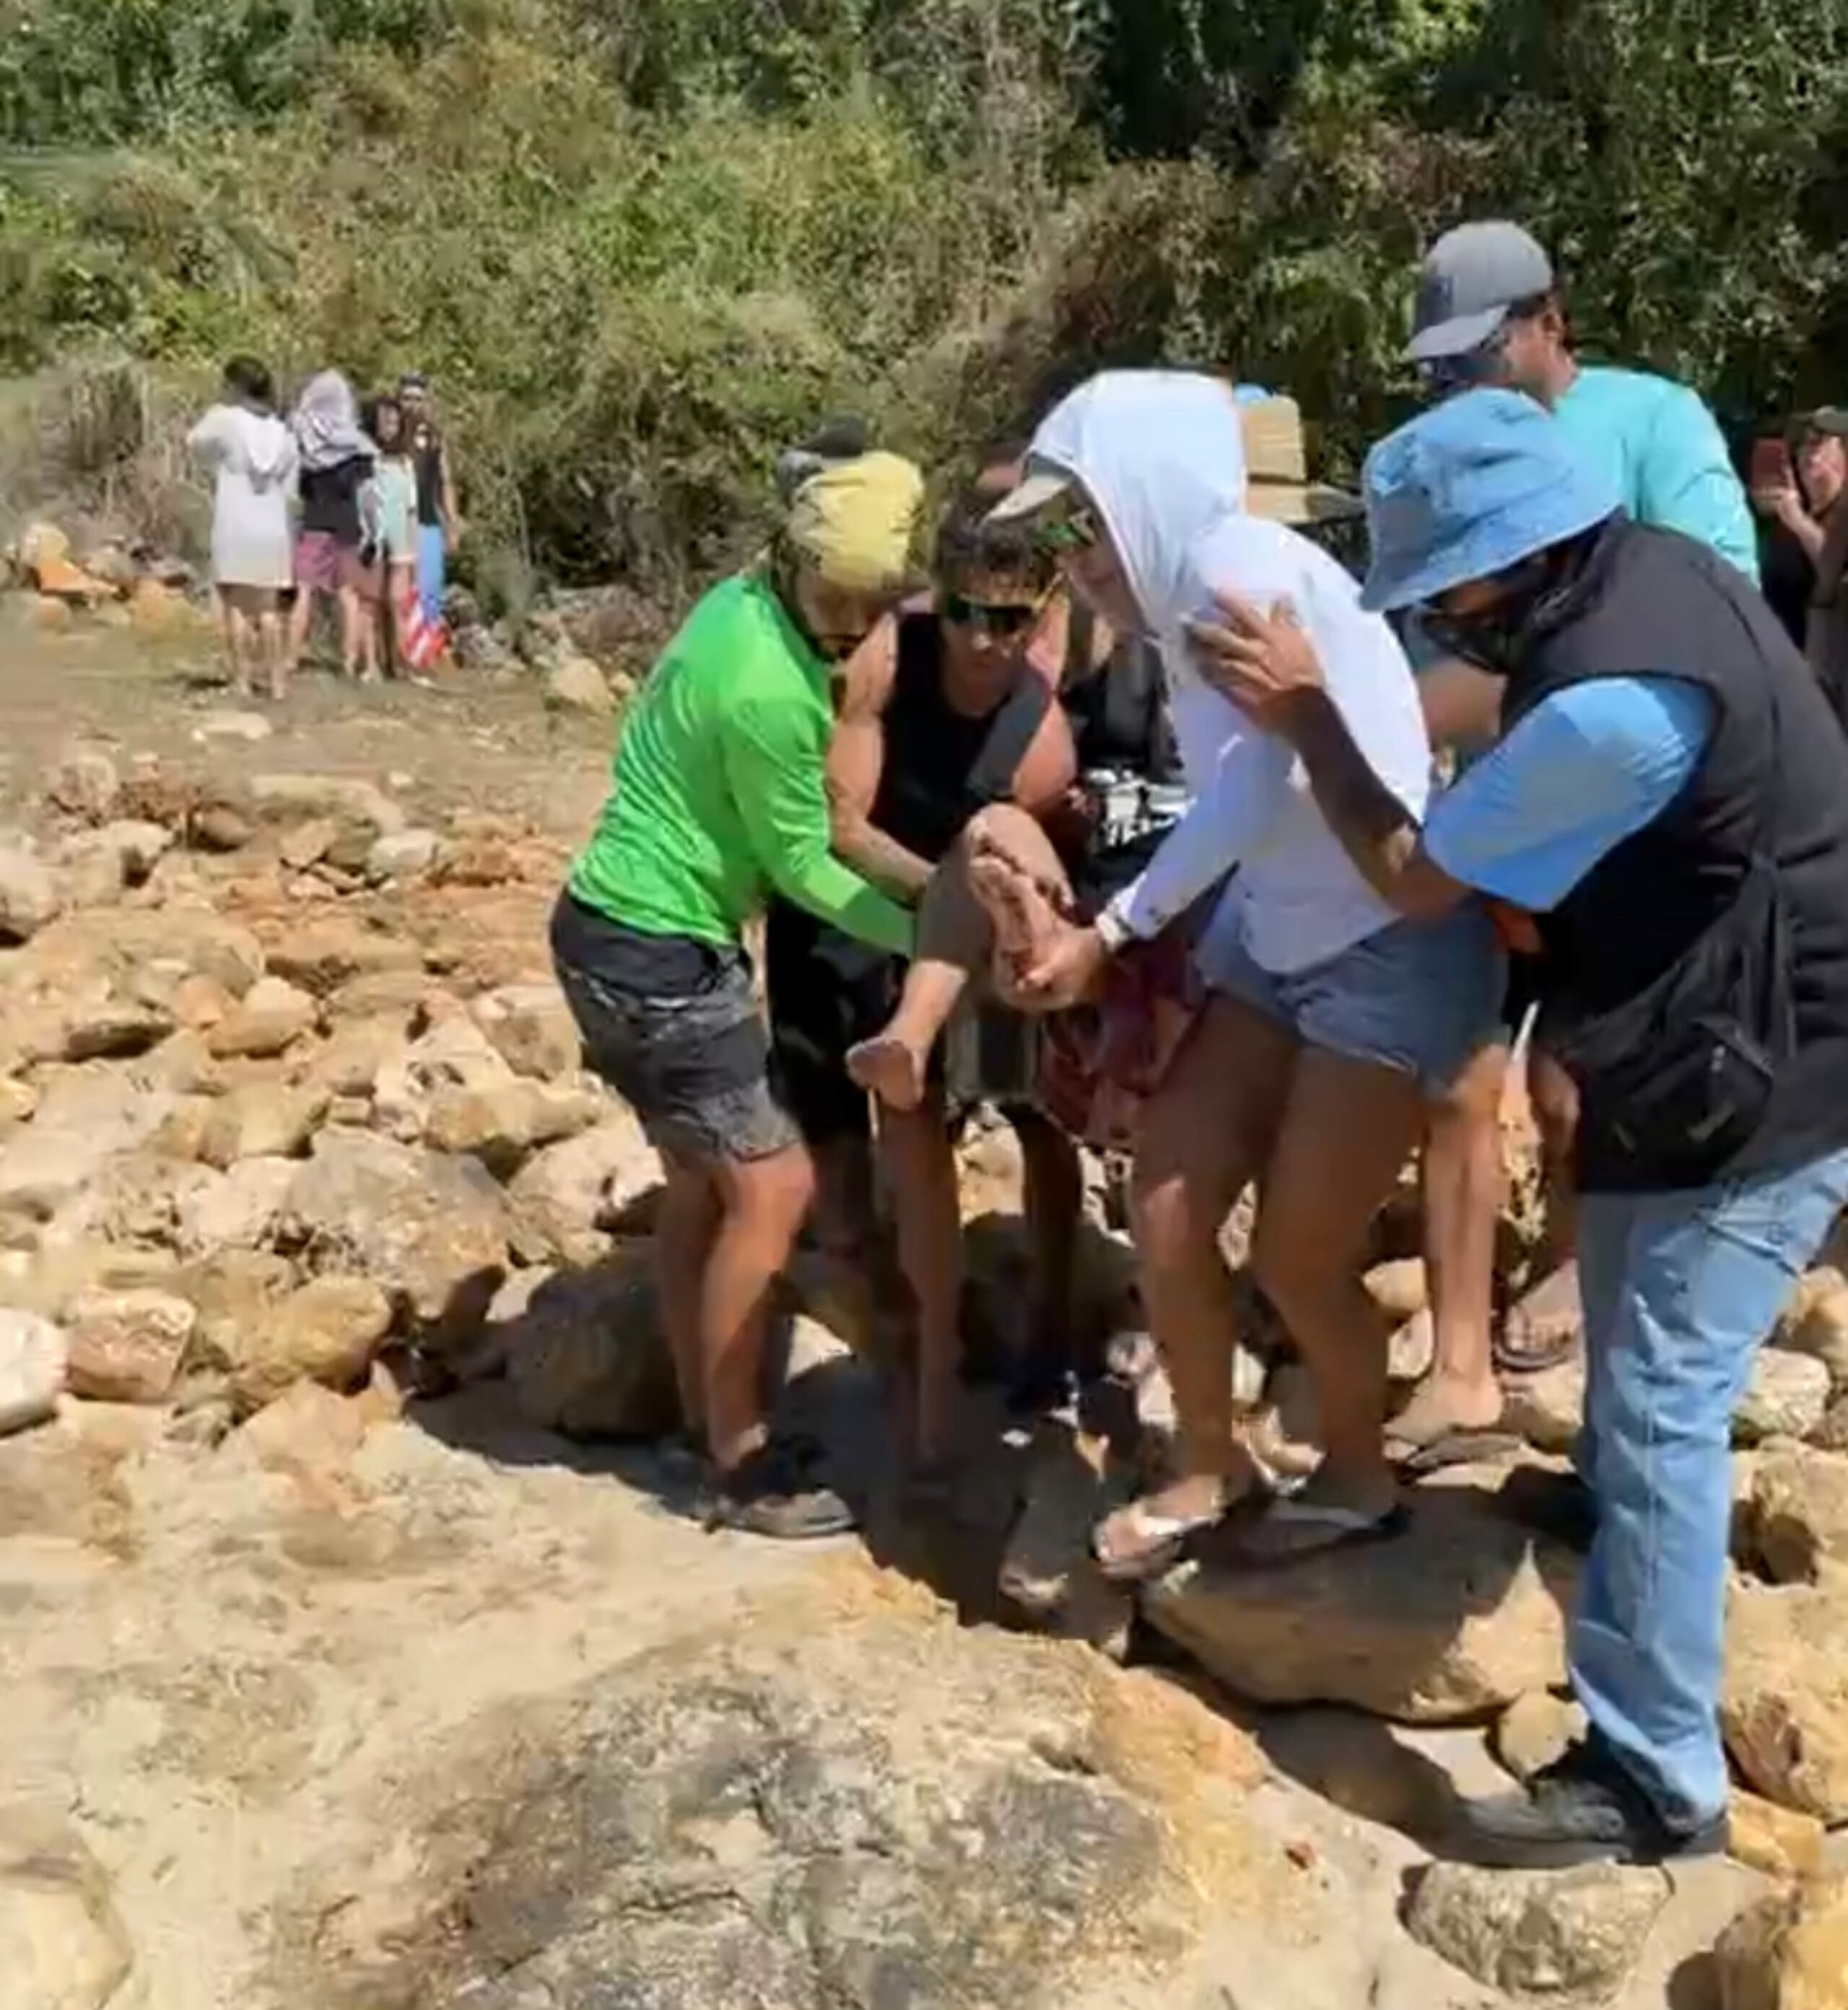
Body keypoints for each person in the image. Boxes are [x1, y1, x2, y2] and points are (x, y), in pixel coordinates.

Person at [1194, 386, 1848, 1867]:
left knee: (1667, 1400)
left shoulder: (1609, 707)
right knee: (1634, 1332)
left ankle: (1652, 1779)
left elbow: (1410, 874)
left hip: (1766, 1065)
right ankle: (1622, 1508)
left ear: (1512, 562)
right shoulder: (1656, 568)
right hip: (1707, 1021)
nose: (1442, 620)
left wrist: (1306, 711)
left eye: (1446, 590)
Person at [851, 374, 1503, 1576]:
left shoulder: (1228, 577)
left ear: (1145, 494)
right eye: (1057, 534)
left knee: (1300, 1259)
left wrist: (1113, 936)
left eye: (1084, 524)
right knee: (1165, 1199)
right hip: (1276, 933)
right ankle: (1216, 1459)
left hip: (1386, 953)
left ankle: (1359, 1472)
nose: (1073, 558)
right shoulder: (1186, 587)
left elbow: (1260, 784)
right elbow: (1242, 799)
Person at [1392, 220, 1761, 1467]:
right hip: (1489, 811)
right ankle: (1455, 1361)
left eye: (1477, 351)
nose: (1460, 381)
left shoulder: (1655, 422)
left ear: (1550, 316)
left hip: (1627, 814)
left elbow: (1716, 607)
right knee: (1458, 1070)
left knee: (1574, 1085)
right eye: (1439, 366)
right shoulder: (1447, 456)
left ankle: (1575, 1281)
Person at [550, 447, 925, 1540]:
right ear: (792, 564)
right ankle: (738, 1463)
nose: (848, 627)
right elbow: (807, 868)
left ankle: (701, 1419)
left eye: (868, 604)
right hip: (661, 954)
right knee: (774, 1191)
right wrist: (934, 940)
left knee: (701, 1190)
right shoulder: (770, 689)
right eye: (833, 601)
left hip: (601, 926)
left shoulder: (735, 604)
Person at [766, 486, 1081, 1474]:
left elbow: (1042, 865)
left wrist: (976, 919)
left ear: (1039, 614)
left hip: (984, 932)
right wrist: (946, 894)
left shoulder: (1041, 734)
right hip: (856, 911)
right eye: (966, 612)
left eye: (1009, 619)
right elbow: (843, 826)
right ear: (936, 599)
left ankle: (1047, 1319)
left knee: (1038, 1117)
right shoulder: (887, 660)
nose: (985, 640)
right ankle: (919, 1369)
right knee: (885, 1152)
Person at [187, 356, 296, 701]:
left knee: (235, 603)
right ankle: (277, 683)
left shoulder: (226, 420)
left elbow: (194, 444)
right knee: (268, 609)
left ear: (235, 386)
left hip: (236, 523)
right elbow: (291, 486)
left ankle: (242, 681)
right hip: (273, 527)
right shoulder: (283, 433)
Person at [1751, 407, 1848, 715]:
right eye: (1803, 444)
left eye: (1818, 442)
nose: (1807, 453)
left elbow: (1835, 571)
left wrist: (1798, 522)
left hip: (1830, 675)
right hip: (1783, 672)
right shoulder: (1792, 515)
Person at [288, 371, 381, 683]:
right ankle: (349, 662)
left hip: (315, 522)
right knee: (348, 595)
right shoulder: (358, 448)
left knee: (304, 591)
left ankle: (290, 659)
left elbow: (299, 487)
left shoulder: (305, 438)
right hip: (348, 527)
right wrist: (374, 532)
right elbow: (369, 496)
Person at [365, 394, 420, 678]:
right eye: (384, 421)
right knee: (371, 601)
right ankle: (372, 663)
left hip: (400, 540)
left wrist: (412, 550)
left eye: (395, 422)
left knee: (399, 602)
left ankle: (402, 662)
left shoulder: (405, 462)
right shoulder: (365, 459)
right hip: (370, 540)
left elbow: (412, 508)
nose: (390, 427)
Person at [399, 372, 458, 624]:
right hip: (396, 524)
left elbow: (446, 481)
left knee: (430, 589)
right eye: (407, 398)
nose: (412, 404)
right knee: (399, 593)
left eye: (418, 399)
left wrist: (453, 525)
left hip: (427, 520)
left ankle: (427, 649)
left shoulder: (435, 436)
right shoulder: (388, 435)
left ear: (426, 402)